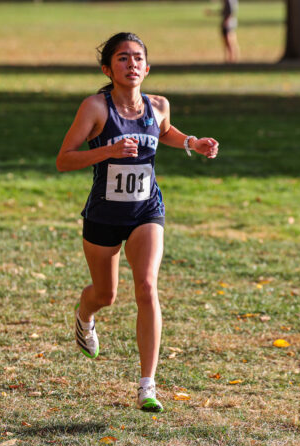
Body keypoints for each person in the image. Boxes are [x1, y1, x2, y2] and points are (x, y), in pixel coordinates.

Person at [56, 32, 219, 413]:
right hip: (103, 214)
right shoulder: (96, 108)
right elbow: (64, 159)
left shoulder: (157, 104)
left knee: (146, 285)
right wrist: (108, 151)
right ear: (108, 68)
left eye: (137, 58)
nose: (131, 64)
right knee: (106, 294)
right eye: (122, 58)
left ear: (147, 67)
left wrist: (192, 143)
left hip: (147, 209)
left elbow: (165, 131)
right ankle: (85, 315)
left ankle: (147, 386)